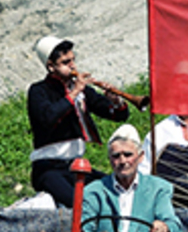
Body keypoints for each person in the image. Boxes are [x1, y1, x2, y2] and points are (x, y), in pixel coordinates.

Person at [27, 35, 130, 206]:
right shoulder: (39, 91)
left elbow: (116, 115)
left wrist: (116, 101)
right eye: (65, 62)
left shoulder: (81, 90)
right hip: (49, 169)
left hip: (77, 167)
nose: (73, 66)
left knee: (118, 190)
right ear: (51, 67)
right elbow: (48, 117)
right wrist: (74, 94)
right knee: (80, 205)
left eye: (73, 60)